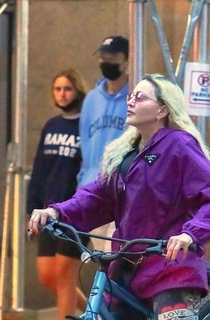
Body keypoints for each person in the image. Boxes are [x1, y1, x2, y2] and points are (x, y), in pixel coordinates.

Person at [29, 73, 210, 320]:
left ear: (163, 110)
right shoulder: (126, 152)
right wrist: (56, 212)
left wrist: (189, 234)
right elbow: (96, 199)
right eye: (131, 95)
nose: (131, 100)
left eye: (141, 96)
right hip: (128, 267)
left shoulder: (180, 146)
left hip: (171, 268)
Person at [26, 68, 89, 320]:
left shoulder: (85, 124)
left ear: (78, 91)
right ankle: (100, 317)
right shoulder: (51, 126)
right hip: (47, 210)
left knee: (64, 275)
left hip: (75, 211)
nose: (62, 94)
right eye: (57, 89)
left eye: (67, 89)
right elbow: (40, 168)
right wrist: (31, 207)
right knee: (47, 276)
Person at [77, 35, 131, 253]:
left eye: (113, 57)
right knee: (102, 259)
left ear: (127, 60)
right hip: (94, 186)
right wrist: (82, 184)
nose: (107, 61)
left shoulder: (135, 96)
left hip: (124, 190)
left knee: (120, 256)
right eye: (103, 57)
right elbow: (85, 144)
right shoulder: (91, 99)